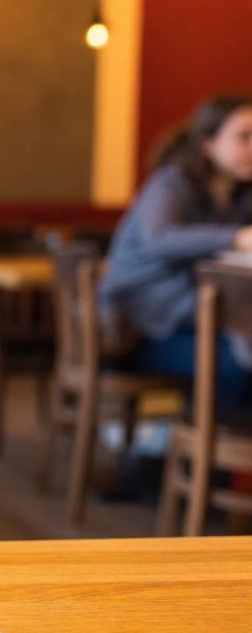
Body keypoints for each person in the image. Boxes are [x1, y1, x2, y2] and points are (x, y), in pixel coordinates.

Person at [101, 94, 252, 408]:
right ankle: (187, 449)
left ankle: (184, 445)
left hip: (198, 322)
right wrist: (236, 238)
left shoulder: (238, 198)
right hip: (140, 331)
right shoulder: (171, 184)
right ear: (207, 144)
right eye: (244, 137)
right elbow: (160, 240)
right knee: (236, 366)